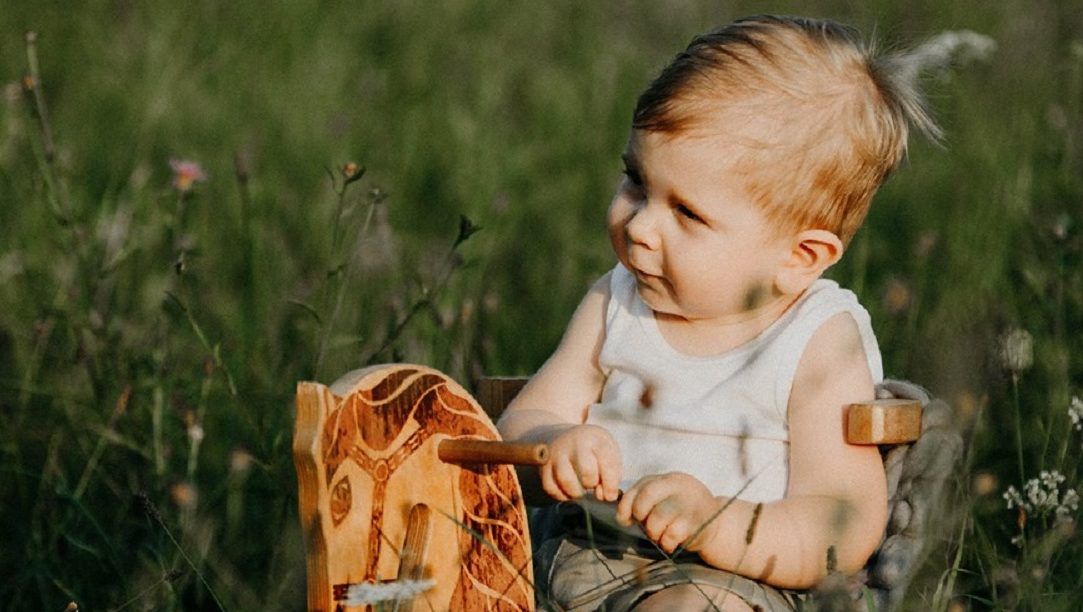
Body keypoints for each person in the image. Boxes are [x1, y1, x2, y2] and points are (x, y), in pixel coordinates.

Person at [496, 14, 940, 612]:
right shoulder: (615, 301)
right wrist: (553, 441)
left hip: (734, 580)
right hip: (577, 555)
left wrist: (721, 526)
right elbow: (524, 420)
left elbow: (841, 525)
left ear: (798, 257)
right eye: (635, 181)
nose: (639, 226)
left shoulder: (814, 339)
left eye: (688, 214)